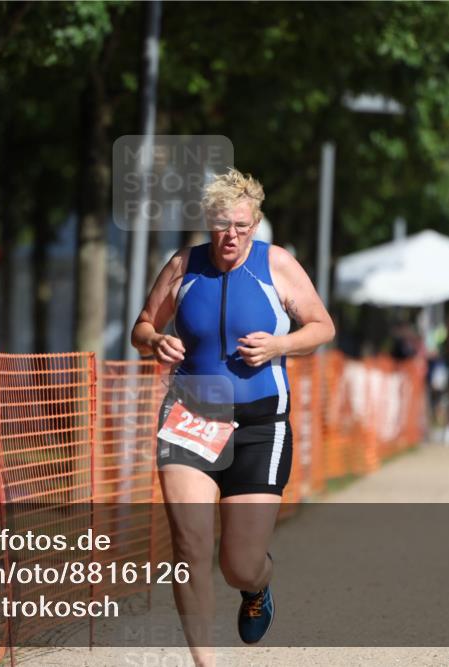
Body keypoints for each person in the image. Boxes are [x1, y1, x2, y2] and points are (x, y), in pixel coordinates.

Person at [130, 168, 334, 664]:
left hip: (261, 425)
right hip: (191, 417)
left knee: (238, 564)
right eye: (223, 225)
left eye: (242, 226)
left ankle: (257, 586)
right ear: (209, 223)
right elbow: (141, 327)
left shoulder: (276, 265)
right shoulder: (184, 265)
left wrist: (281, 344)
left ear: (256, 223)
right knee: (189, 547)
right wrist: (156, 341)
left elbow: (322, 326)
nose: (232, 236)